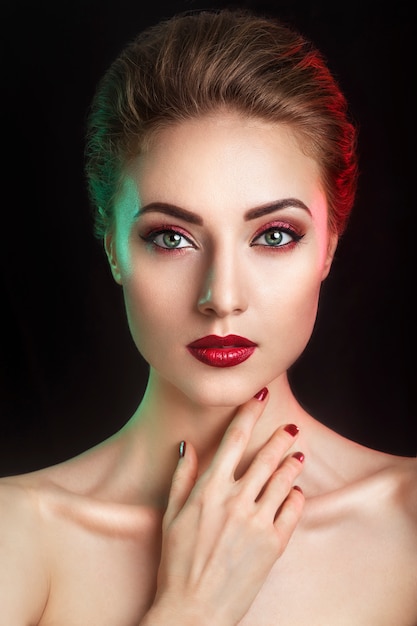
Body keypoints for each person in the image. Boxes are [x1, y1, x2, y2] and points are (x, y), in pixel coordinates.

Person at [0, 7, 416, 625]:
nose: (221, 297)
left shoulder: (408, 524)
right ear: (113, 247)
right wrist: (192, 609)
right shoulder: (17, 535)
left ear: (329, 244)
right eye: (172, 237)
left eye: (274, 235)